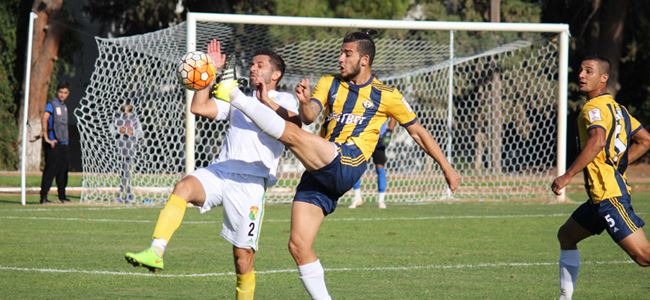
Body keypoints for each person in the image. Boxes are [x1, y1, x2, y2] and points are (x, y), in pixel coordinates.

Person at [213, 31, 461, 299]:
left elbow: (418, 132)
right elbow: (308, 116)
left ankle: (233, 94)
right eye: (340, 53)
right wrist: (301, 102)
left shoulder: (386, 94)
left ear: (364, 60)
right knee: (298, 245)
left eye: (347, 54)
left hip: (347, 161)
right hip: (320, 167)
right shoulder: (329, 83)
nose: (340, 58)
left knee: (293, 136)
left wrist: (446, 168)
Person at [125, 40, 300, 300]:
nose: (253, 69)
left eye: (259, 65)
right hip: (221, 171)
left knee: (243, 259)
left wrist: (249, 99)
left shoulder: (284, 99)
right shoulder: (238, 98)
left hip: (252, 183)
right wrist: (209, 74)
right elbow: (199, 107)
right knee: (183, 186)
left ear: (275, 74)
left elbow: (291, 123)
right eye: (252, 64)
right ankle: (156, 251)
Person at [551, 55, 650, 300]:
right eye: (581, 70)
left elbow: (597, 141)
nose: (581, 75)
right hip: (599, 198)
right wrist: (616, 164)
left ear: (603, 78)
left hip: (609, 196)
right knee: (566, 235)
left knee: (644, 256)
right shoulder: (619, 109)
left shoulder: (593, 108)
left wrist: (566, 176)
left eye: (589, 71)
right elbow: (645, 140)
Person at [349, 117, 397, 209]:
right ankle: (357, 197)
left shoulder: (383, 103)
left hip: (379, 139)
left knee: (380, 168)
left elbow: (393, 117)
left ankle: (381, 200)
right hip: (364, 138)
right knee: (356, 165)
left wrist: (389, 132)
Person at [39, 82, 71, 204]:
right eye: (60, 92)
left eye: (65, 93)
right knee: (50, 170)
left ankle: (62, 196)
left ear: (68, 94)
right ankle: (43, 197)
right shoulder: (51, 105)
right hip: (53, 143)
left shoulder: (64, 107)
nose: (62, 95)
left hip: (64, 143)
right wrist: (46, 138)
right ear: (57, 92)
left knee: (63, 170)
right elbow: (45, 119)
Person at [113, 102, 143, 203]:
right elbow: (111, 131)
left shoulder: (134, 119)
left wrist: (133, 132)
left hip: (131, 148)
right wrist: (118, 131)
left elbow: (140, 132)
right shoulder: (117, 118)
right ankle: (122, 193)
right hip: (120, 148)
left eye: (128, 106)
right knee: (122, 172)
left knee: (128, 171)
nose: (126, 109)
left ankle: (128, 194)